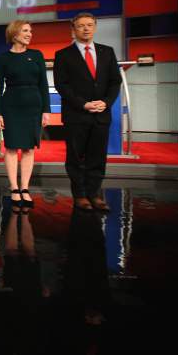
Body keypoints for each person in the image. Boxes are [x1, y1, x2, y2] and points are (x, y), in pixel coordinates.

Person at [53, 13, 121, 212]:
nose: (86, 29)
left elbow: (115, 82)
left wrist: (106, 102)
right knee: (75, 157)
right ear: (73, 29)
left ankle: (94, 194)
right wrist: (83, 104)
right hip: (76, 115)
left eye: (90, 25)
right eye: (81, 26)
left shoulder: (107, 52)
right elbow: (62, 85)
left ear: (95, 27)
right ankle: (80, 195)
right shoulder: (63, 55)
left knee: (97, 157)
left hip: (101, 114)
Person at [0, 20, 51, 209]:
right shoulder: (3, 58)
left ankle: (25, 188)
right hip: (11, 106)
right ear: (14, 33)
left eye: (30, 31)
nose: (29, 34)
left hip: (34, 106)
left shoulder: (36, 55)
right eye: (25, 30)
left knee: (29, 148)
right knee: (11, 147)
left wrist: (46, 110)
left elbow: (43, 84)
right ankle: (14, 187)